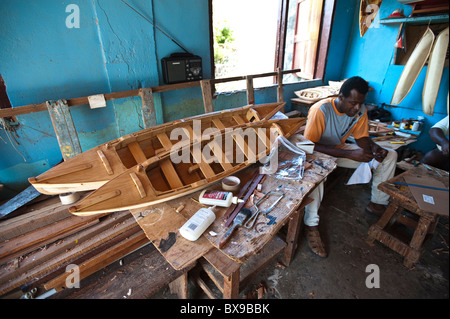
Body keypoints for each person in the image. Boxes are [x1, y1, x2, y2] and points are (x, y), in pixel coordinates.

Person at [302, 76, 398, 258]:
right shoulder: (321, 110)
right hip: (318, 153)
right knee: (316, 174)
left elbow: (361, 137)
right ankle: (311, 225)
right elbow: (309, 146)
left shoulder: (360, 109)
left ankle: (377, 203)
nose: (356, 108)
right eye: (352, 103)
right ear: (340, 97)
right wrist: (349, 154)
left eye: (360, 103)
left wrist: (373, 147)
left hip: (340, 151)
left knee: (390, 155)